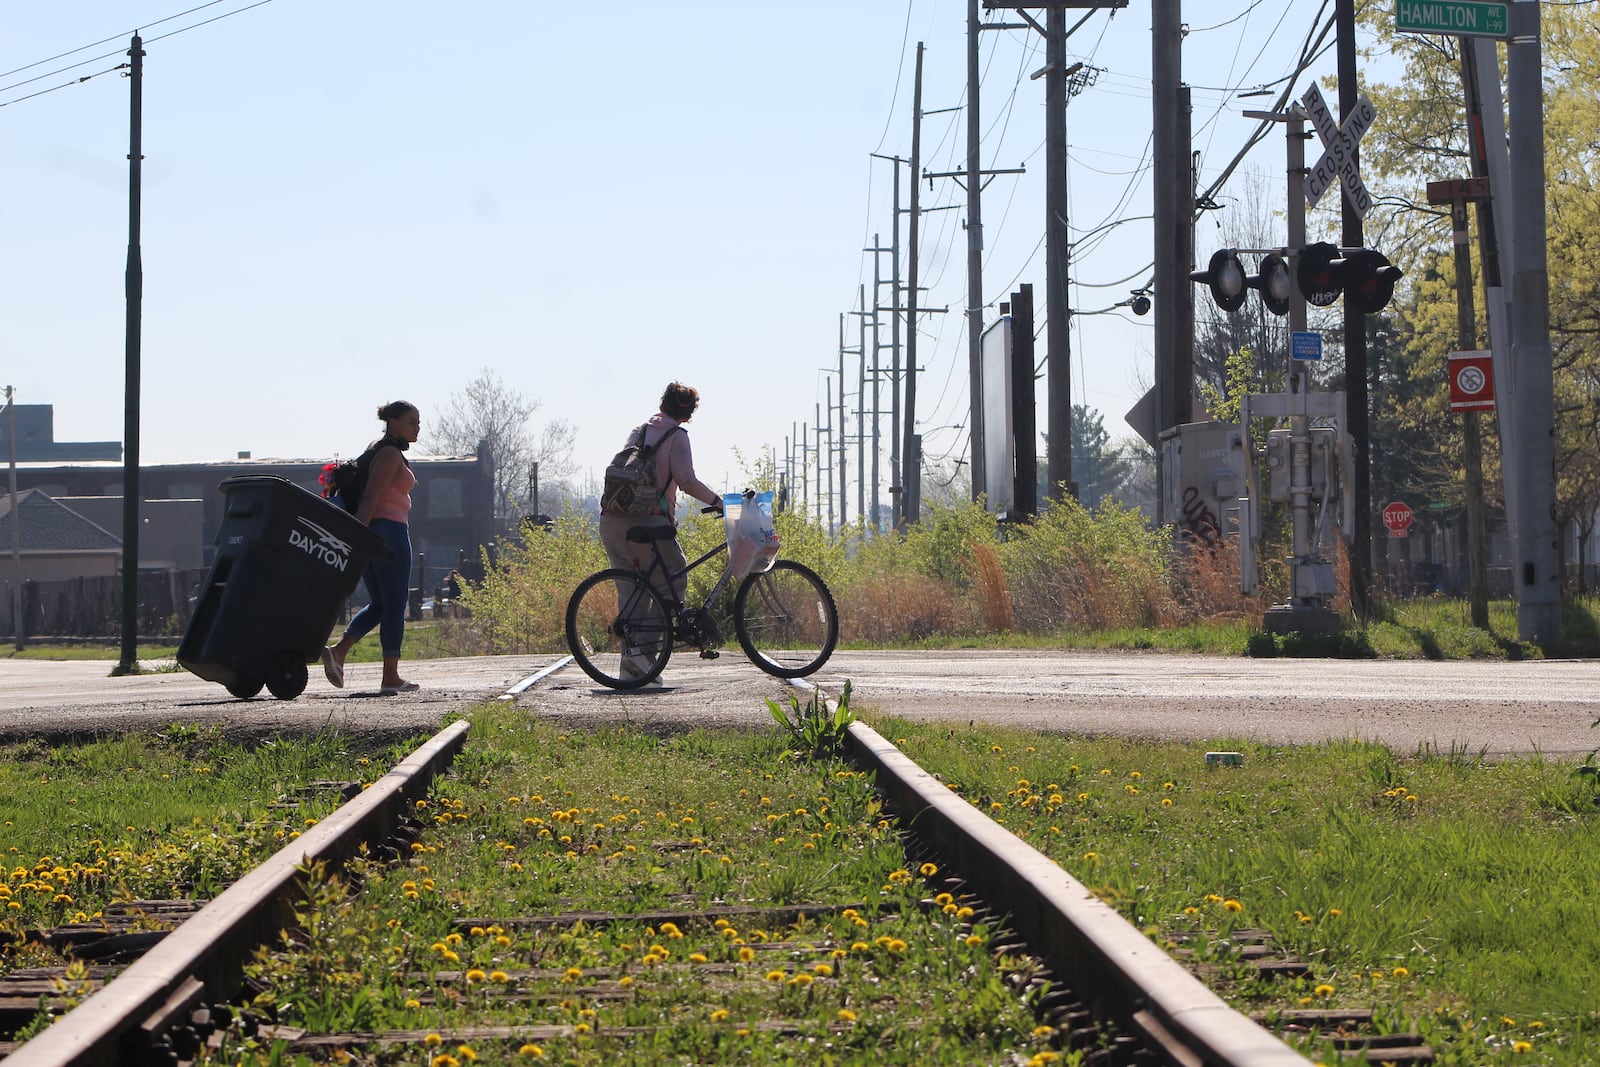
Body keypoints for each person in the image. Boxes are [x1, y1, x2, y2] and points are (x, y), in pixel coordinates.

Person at [600, 382, 722, 681]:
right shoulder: (677, 435)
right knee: (673, 582)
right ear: (689, 413)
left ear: (663, 402)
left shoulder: (639, 430)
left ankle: (634, 666)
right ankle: (646, 657)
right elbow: (686, 480)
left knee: (632, 592)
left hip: (611, 521)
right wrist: (719, 502)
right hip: (649, 523)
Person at [321, 400, 422, 695]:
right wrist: (356, 536)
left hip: (374, 533)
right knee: (395, 604)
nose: (417, 428)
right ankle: (390, 676)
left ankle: (339, 653)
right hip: (389, 531)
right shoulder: (389, 454)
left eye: (419, 422)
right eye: (412, 422)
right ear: (393, 422)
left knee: (380, 604)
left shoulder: (376, 446)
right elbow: (371, 498)